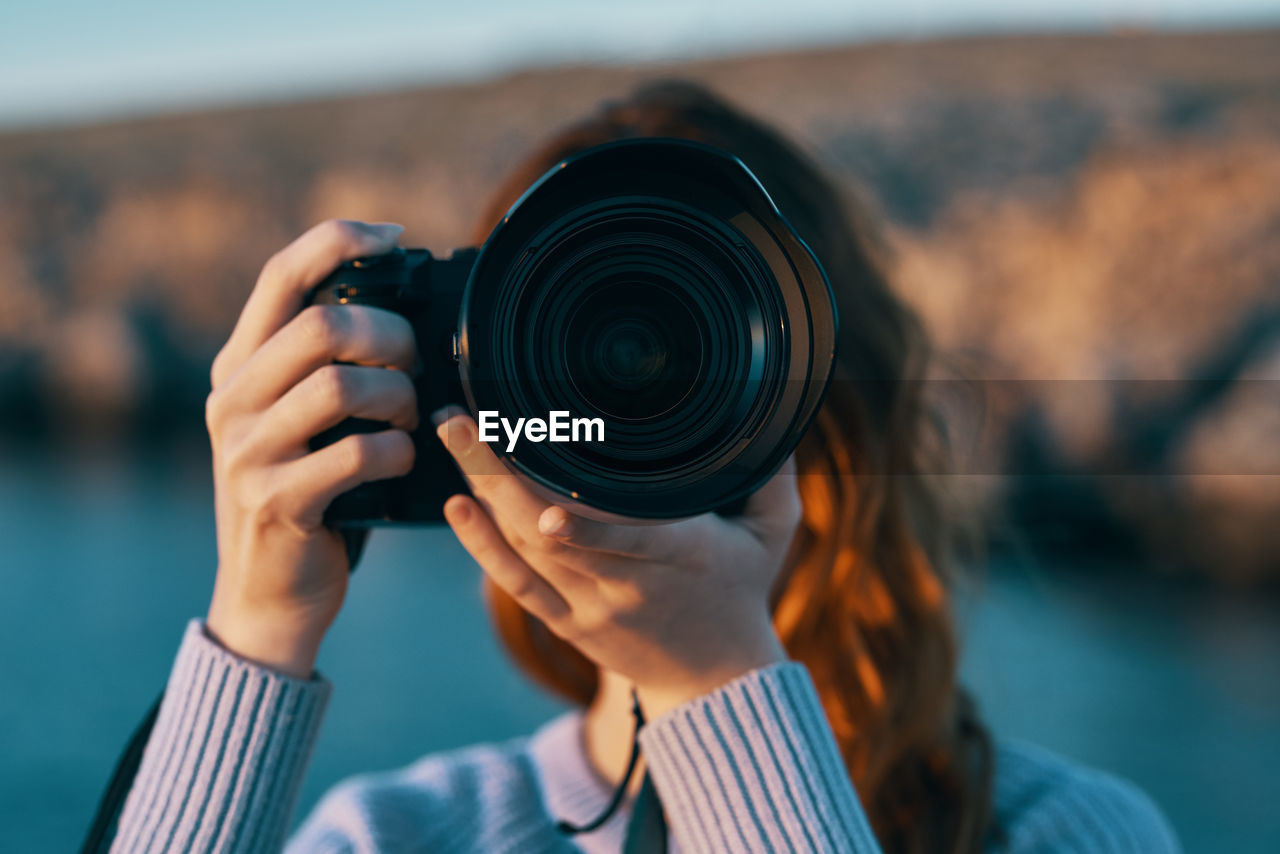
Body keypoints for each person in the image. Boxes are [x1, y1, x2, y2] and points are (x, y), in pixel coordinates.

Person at [111, 80, 1179, 853]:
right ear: (466, 386)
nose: (621, 384)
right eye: (562, 339)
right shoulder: (393, 836)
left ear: (821, 411)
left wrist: (709, 682)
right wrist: (257, 630)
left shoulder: (1062, 833)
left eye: (691, 352)